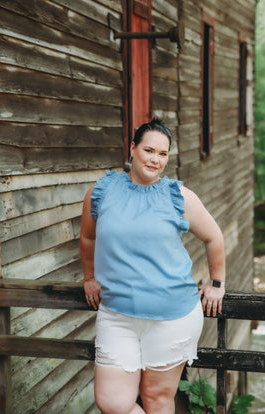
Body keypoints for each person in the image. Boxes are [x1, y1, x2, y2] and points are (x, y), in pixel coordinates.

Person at [80, 118, 225, 414]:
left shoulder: (178, 197)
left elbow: (214, 237)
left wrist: (217, 283)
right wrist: (89, 277)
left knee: (156, 398)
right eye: (149, 150)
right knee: (113, 402)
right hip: (117, 314)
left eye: (163, 154)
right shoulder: (103, 190)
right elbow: (87, 237)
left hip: (173, 316)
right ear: (132, 148)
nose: (155, 160)